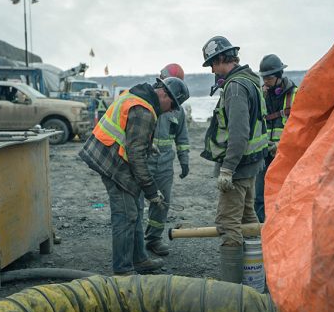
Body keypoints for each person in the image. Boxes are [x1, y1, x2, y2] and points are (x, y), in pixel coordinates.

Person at [79, 76, 190, 275]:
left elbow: (129, 134)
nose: (173, 110)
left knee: (135, 213)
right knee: (126, 214)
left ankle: (139, 259)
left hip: (111, 154)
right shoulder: (144, 111)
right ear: (164, 94)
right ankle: (123, 270)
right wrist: (151, 190)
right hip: (111, 162)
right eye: (173, 105)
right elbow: (136, 157)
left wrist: (147, 144)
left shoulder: (137, 96)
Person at [200, 36, 268, 283]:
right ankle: (255, 280)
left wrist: (227, 169)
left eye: (212, 65)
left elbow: (239, 133)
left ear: (221, 60)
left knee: (229, 224)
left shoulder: (235, 87)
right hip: (251, 165)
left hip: (238, 168)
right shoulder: (251, 80)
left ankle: (232, 291)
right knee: (248, 219)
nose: (212, 71)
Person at [142, 63, 190, 256]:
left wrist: (184, 160)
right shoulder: (145, 102)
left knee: (162, 203)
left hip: (164, 166)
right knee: (136, 204)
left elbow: (182, 137)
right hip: (143, 163)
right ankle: (135, 244)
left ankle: (153, 239)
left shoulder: (177, 110)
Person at [254, 54, 298, 223]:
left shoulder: (294, 95)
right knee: (260, 195)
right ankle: (263, 231)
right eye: (263, 77)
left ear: (279, 76)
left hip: (286, 155)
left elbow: (300, 128)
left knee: (285, 194)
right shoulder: (261, 95)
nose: (266, 81)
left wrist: (279, 145)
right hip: (263, 153)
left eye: (269, 77)